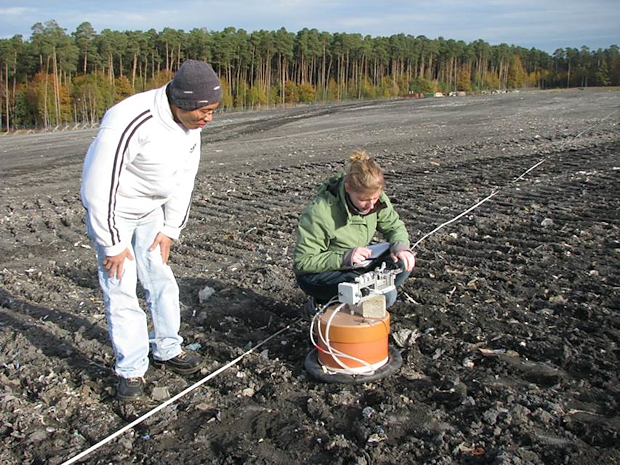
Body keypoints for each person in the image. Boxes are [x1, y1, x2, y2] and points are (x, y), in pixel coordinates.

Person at [80, 60, 222, 400]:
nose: (209, 118)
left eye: (215, 110)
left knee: (160, 279)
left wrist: (171, 228)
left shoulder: (192, 127)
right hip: (115, 214)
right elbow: (96, 186)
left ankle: (168, 349)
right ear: (181, 103)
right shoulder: (129, 120)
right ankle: (131, 369)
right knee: (121, 288)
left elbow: (185, 177)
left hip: (151, 214)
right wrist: (111, 243)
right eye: (204, 111)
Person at [294, 150, 415, 314]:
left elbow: (394, 226)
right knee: (386, 295)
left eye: (375, 198)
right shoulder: (320, 213)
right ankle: (323, 304)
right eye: (364, 200)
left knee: (402, 264)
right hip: (320, 274)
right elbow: (303, 262)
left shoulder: (375, 199)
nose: (371, 206)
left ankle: (349, 305)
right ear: (348, 188)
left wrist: (400, 246)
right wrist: (344, 258)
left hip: (356, 266)